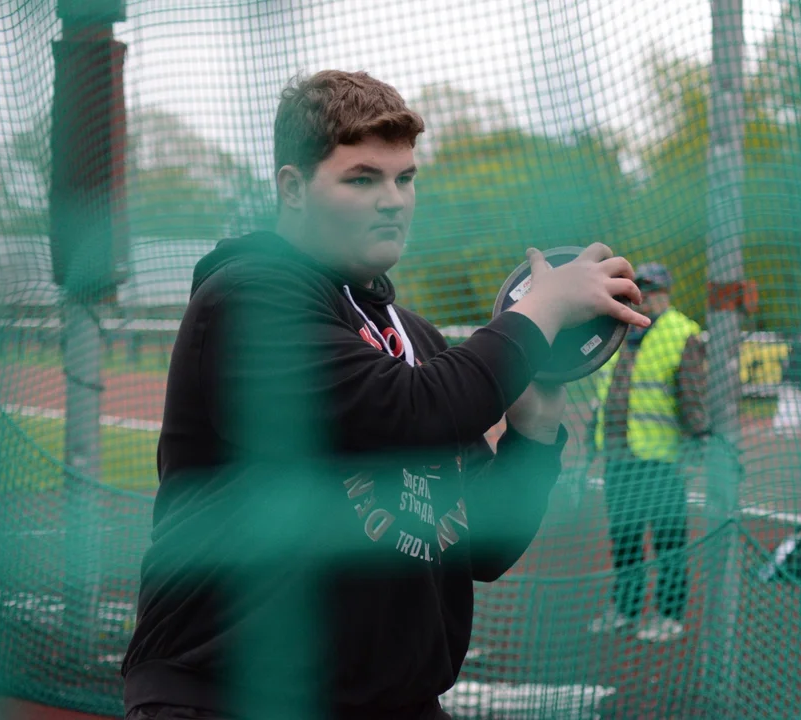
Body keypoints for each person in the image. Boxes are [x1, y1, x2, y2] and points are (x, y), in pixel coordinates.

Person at [120, 69, 650, 720]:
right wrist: (542, 309)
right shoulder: (247, 299)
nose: (393, 199)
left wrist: (534, 429)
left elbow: (482, 548)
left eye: (405, 178)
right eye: (362, 178)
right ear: (291, 189)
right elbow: (415, 412)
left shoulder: (414, 339)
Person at [584, 262, 707, 643]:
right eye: (643, 291)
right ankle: (626, 608)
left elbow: (694, 395)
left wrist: (701, 439)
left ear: (667, 293)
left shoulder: (681, 333)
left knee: (668, 542)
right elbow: (606, 396)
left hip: (661, 460)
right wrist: (593, 440)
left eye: (655, 291)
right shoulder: (619, 329)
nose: (649, 298)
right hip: (620, 457)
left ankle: (669, 614)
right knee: (625, 541)